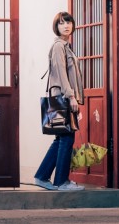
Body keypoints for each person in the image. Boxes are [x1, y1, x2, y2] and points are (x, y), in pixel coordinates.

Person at [34, 11, 85, 191]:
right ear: (56, 27)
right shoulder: (58, 46)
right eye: (62, 23)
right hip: (63, 97)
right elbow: (61, 73)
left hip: (64, 96)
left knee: (61, 137)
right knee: (67, 137)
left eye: (68, 22)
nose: (66, 26)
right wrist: (71, 96)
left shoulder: (66, 46)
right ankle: (61, 181)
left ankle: (42, 176)